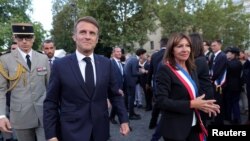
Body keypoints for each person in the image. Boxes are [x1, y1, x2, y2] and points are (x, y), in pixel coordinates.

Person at [43, 16, 130, 141]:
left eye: (92, 33)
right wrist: (51, 135)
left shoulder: (106, 64)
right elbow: (51, 102)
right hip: (71, 132)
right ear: (74, 36)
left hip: (100, 131)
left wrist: (124, 119)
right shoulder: (60, 65)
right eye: (83, 32)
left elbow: (115, 95)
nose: (88, 36)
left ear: (97, 39)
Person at [155, 33, 220, 141]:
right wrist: (192, 104)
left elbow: (192, 94)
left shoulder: (192, 68)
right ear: (171, 50)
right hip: (176, 129)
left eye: (187, 45)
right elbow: (161, 101)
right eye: (179, 46)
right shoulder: (165, 69)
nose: (185, 49)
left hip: (194, 124)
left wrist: (204, 104)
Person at [0, 23, 50, 141]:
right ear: (14, 38)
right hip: (20, 116)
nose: (24, 41)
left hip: (43, 114)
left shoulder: (42, 58)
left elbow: (50, 86)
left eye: (28, 38)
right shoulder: (5, 60)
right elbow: (1, 90)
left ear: (33, 38)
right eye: (20, 38)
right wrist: (2, 115)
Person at [189, 33, 214, 127]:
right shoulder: (198, 59)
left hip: (203, 94)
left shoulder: (199, 60)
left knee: (200, 124)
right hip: (203, 92)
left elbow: (189, 77)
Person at [210, 39, 227, 125]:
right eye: (212, 45)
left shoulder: (222, 56)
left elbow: (218, 70)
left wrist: (211, 78)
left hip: (218, 83)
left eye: (215, 45)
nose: (212, 47)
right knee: (215, 101)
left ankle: (219, 122)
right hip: (214, 81)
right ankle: (215, 119)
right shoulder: (213, 55)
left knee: (219, 102)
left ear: (220, 46)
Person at [109, 47, 125, 124]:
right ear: (113, 53)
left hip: (121, 87)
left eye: (120, 51)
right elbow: (110, 78)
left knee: (116, 105)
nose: (119, 53)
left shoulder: (121, 63)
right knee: (121, 106)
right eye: (117, 51)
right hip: (115, 89)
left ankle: (111, 117)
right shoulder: (110, 63)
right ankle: (125, 123)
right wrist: (116, 88)